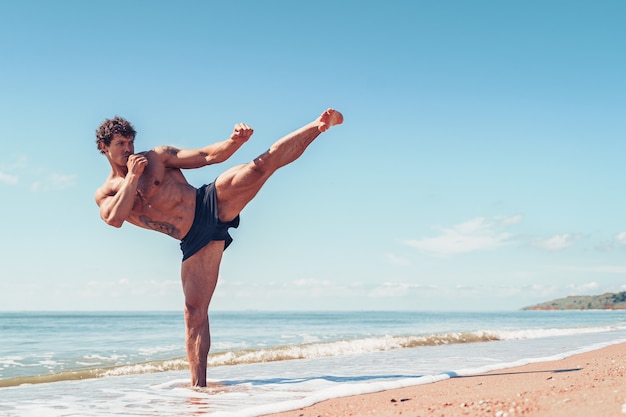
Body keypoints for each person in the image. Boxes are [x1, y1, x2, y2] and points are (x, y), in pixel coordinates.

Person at [94, 108, 343, 387]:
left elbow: (208, 156)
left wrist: (235, 141)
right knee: (194, 313)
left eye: (130, 143)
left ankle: (318, 125)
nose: (129, 150)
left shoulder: (157, 158)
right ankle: (199, 388)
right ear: (104, 148)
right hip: (194, 240)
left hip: (210, 202)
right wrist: (131, 177)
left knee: (260, 166)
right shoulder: (107, 192)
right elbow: (114, 219)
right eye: (120, 145)